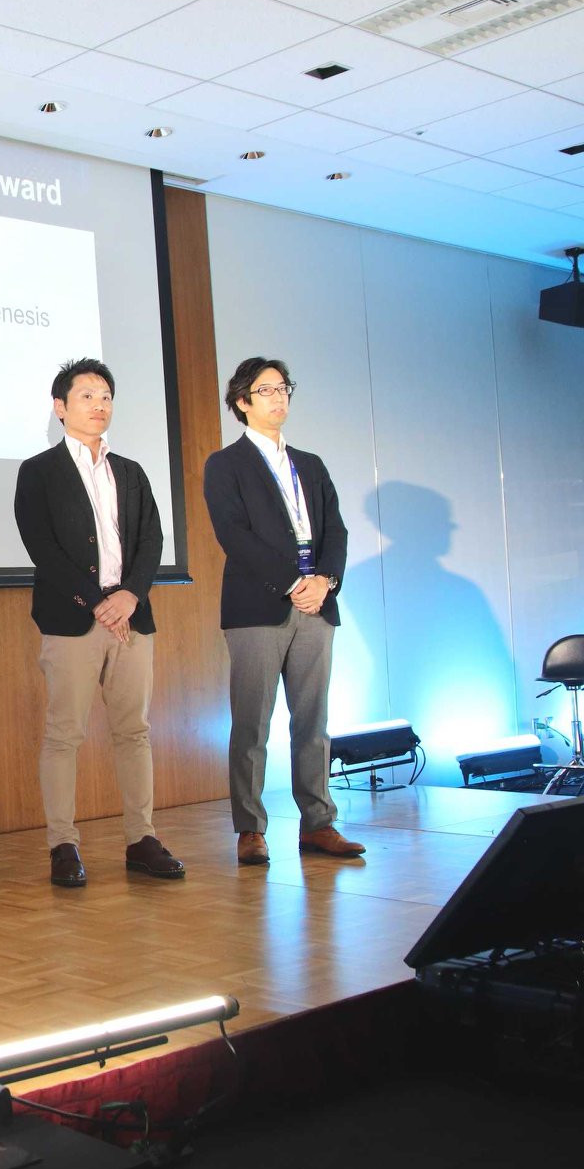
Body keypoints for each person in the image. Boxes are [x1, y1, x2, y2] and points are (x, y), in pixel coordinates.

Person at [13, 358, 183, 888]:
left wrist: (130, 594)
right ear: (60, 407)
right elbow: (41, 545)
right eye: (86, 395)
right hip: (73, 619)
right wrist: (95, 601)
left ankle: (142, 839)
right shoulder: (38, 471)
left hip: (131, 617)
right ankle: (62, 845)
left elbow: (152, 539)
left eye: (105, 395)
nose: (99, 405)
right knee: (64, 733)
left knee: (134, 730)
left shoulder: (130, 471)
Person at [203, 357, 366, 866]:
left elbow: (335, 530)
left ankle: (318, 824)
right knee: (252, 724)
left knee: (313, 721)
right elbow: (233, 535)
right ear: (242, 402)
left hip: (317, 605)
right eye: (265, 390)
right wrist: (294, 583)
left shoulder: (310, 464)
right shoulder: (225, 464)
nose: (278, 398)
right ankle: (250, 829)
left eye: (283, 388)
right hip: (258, 607)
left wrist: (325, 581)